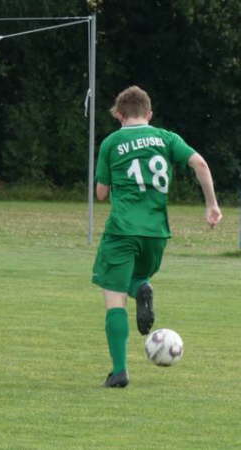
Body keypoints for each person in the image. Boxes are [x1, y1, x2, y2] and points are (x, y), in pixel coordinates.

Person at [92, 85, 222, 388]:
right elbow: (200, 163)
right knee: (136, 279)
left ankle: (120, 371)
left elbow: (100, 194)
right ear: (149, 114)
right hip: (156, 232)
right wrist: (212, 205)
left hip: (122, 230)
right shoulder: (167, 138)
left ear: (120, 115)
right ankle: (143, 288)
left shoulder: (113, 141)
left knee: (114, 298)